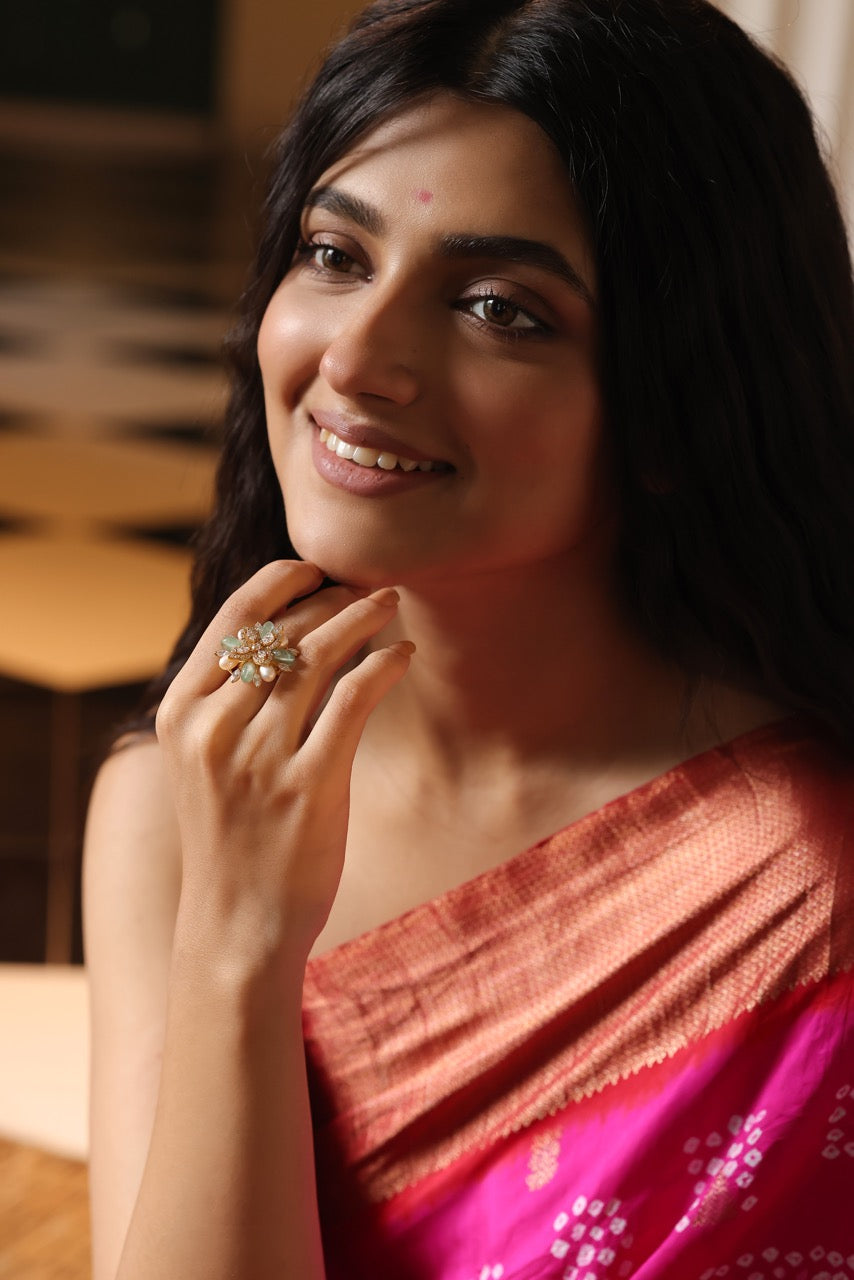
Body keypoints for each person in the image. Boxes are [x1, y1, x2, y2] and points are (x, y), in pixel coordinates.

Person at [83, 1, 854, 1276]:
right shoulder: (176, 796)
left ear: (677, 404)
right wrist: (238, 934)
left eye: (498, 306)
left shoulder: (799, 893)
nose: (361, 356)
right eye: (335, 255)